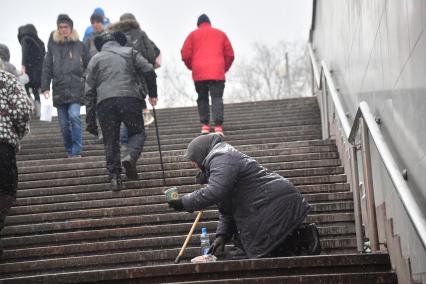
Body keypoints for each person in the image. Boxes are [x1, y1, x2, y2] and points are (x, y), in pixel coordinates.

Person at [168, 134, 321, 259]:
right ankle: (302, 239)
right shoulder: (221, 158)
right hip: (265, 205)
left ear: (200, 153)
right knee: (262, 252)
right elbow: (227, 208)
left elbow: (216, 190)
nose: (193, 165)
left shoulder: (221, 156)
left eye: (193, 161)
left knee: (249, 253)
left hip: (270, 204)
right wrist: (222, 235)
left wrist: (184, 202)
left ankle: (304, 237)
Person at [85, 32, 158, 191]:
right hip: (130, 99)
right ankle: (130, 157)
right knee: (137, 132)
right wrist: (153, 94)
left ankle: (115, 178)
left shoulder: (95, 60)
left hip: (105, 102)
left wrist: (90, 120)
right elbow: (149, 70)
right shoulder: (130, 52)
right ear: (119, 42)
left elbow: (89, 91)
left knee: (110, 140)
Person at [41, 14, 89, 158]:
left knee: (74, 116)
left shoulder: (80, 45)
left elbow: (89, 65)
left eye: (66, 27)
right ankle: (69, 149)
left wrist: (84, 78)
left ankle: (76, 151)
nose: (63, 29)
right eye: (60, 27)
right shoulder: (53, 47)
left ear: (71, 28)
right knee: (63, 125)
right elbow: (47, 67)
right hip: (59, 89)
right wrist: (45, 87)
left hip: (75, 88)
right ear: (58, 29)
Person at [181, 14, 234, 136]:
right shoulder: (221, 34)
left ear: (198, 24)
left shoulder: (192, 35)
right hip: (217, 72)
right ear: (209, 22)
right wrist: (223, 68)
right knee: (217, 98)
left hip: (199, 72)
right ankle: (218, 127)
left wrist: (192, 66)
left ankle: (205, 126)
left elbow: (185, 55)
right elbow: (230, 55)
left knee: (202, 97)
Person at [0, 59, 32, 256]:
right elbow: (22, 110)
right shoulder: (7, 79)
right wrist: (17, 133)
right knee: (6, 190)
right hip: (2, 144)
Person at [108, 12, 160, 129]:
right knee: (140, 92)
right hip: (141, 70)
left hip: (123, 73)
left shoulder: (117, 36)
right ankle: (143, 118)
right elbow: (152, 52)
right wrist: (149, 62)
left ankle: (137, 121)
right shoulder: (140, 34)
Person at [18, 24, 46, 118]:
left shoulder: (24, 39)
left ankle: (31, 107)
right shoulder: (40, 42)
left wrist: (23, 65)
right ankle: (38, 112)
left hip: (29, 69)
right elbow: (44, 56)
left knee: (26, 88)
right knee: (36, 90)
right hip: (39, 71)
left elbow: (24, 53)